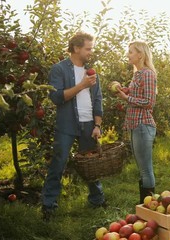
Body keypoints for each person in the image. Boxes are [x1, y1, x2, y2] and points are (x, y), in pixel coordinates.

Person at [42, 32, 105, 221]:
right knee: (58, 164)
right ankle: (48, 206)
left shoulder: (92, 72)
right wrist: (82, 85)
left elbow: (98, 99)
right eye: (88, 48)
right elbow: (56, 97)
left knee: (91, 165)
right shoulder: (59, 69)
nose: (90, 52)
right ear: (76, 48)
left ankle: (97, 199)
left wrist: (97, 125)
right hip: (67, 124)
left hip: (89, 125)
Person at [115, 41, 157, 204]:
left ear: (140, 55)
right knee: (142, 168)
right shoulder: (137, 73)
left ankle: (148, 207)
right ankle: (145, 205)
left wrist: (127, 98)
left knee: (146, 169)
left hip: (143, 125)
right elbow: (137, 94)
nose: (128, 54)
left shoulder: (147, 73)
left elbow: (149, 102)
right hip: (134, 125)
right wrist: (124, 90)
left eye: (131, 52)